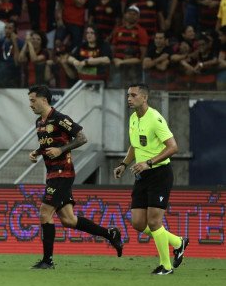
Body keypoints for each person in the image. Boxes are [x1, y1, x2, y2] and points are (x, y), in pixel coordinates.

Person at [28, 85, 123, 269]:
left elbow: (82, 138)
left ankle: (47, 261)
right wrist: (37, 152)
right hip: (52, 173)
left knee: (45, 213)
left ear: (44, 100)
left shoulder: (60, 119)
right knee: (69, 220)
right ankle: (110, 234)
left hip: (63, 173)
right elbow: (51, 145)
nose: (30, 105)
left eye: (33, 100)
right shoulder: (39, 123)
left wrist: (61, 150)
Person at [113, 83, 188, 275]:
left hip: (159, 173)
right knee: (138, 223)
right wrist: (123, 164)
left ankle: (166, 266)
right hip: (142, 175)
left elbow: (173, 147)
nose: (129, 98)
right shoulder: (133, 118)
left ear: (144, 98)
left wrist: (149, 162)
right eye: (128, 95)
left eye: (134, 95)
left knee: (154, 222)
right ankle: (178, 242)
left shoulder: (155, 118)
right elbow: (134, 146)